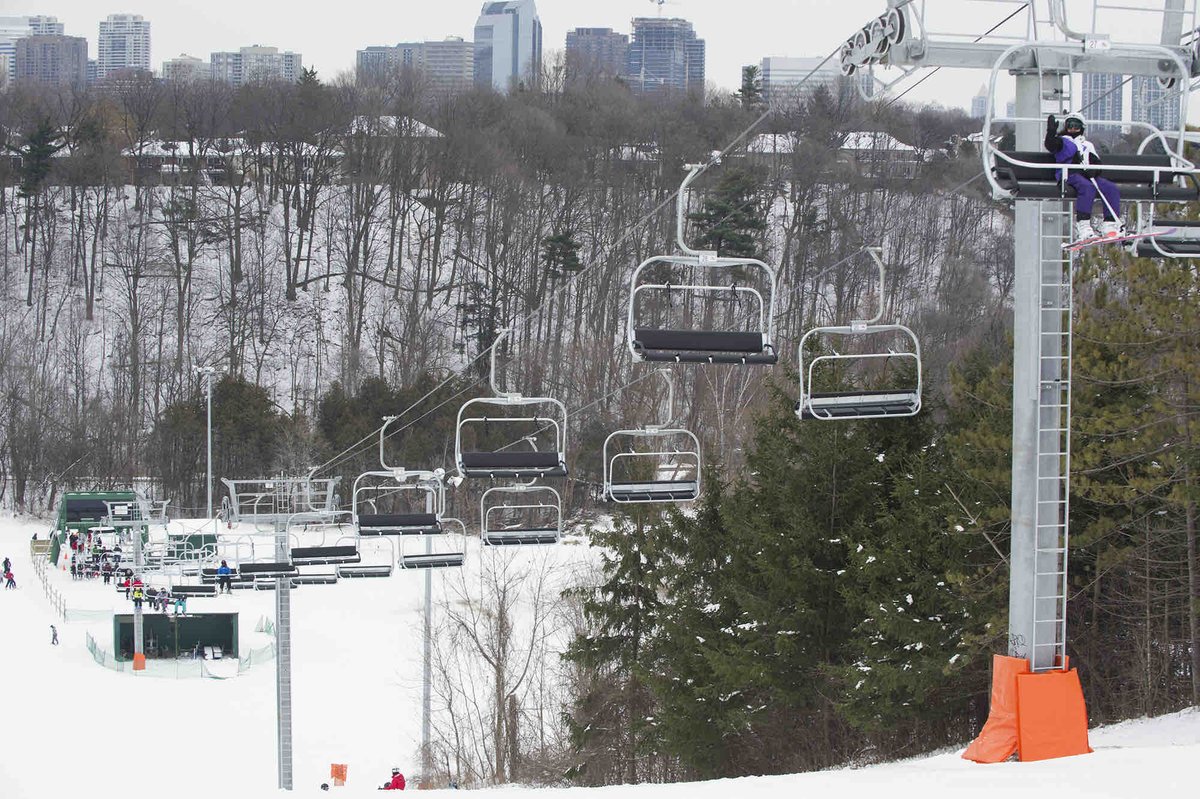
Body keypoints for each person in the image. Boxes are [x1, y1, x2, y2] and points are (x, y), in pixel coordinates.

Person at [1045, 113, 1122, 242]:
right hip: (1069, 174)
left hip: (1086, 174)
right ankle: (1084, 225)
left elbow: (1096, 162)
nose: (1073, 129)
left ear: (1082, 127)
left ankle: (1109, 224)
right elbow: (1050, 145)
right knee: (1087, 187)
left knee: (1110, 188)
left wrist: (1094, 171)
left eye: (1076, 126)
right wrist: (1051, 131)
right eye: (1070, 125)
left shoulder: (1087, 145)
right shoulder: (1062, 141)